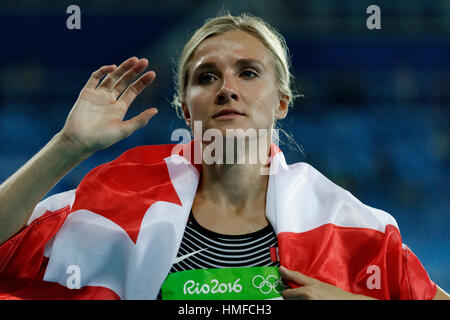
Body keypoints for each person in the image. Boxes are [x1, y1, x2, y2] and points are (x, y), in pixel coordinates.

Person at [0, 13, 447, 300]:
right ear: (185, 106)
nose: (227, 88)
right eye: (206, 77)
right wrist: (68, 146)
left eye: (248, 73)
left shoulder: (350, 226)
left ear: (282, 102)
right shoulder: (118, 198)